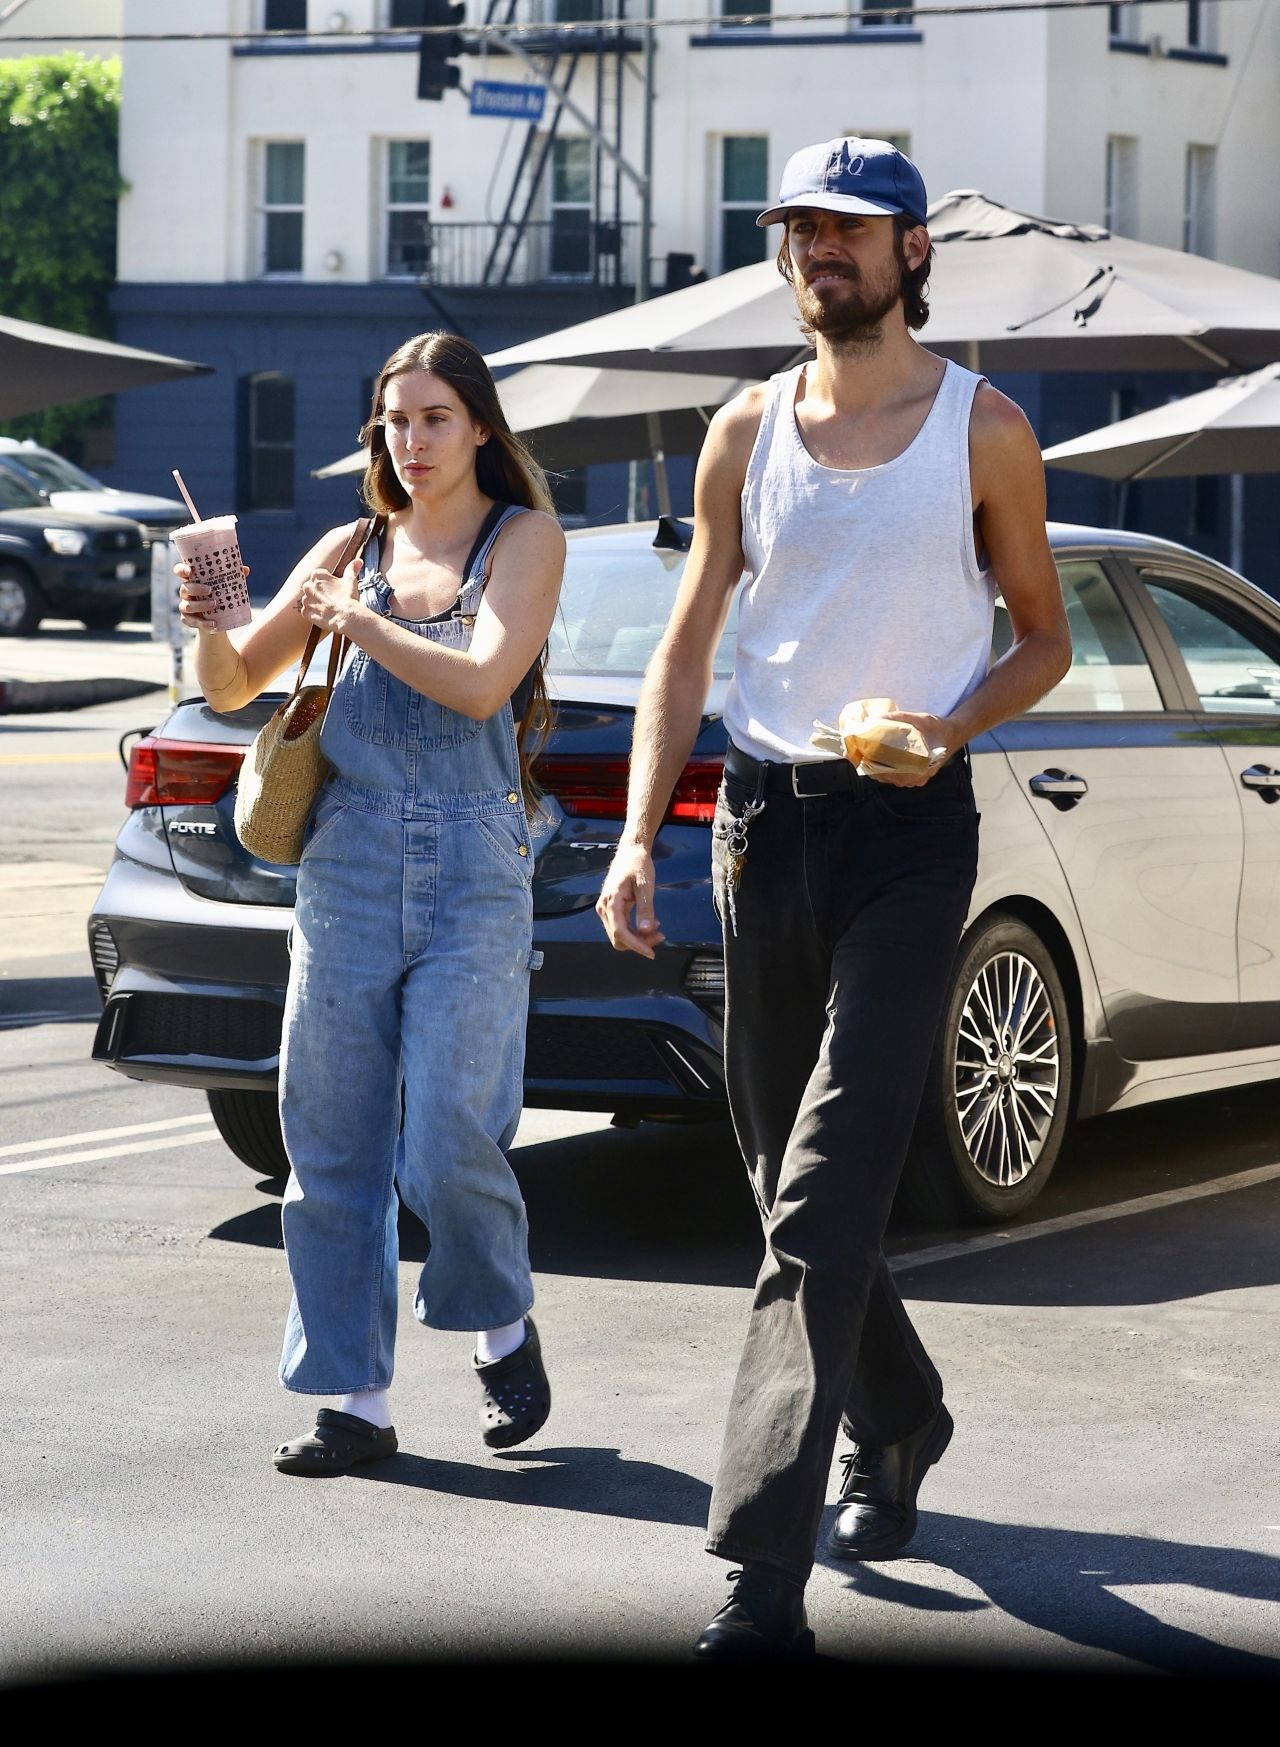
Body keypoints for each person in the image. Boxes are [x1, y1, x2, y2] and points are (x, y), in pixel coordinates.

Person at [597, 139, 1071, 1658]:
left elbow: (1045, 637)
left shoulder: (984, 428)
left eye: (849, 231)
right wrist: (630, 841)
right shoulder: (745, 429)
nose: (820, 252)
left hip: (911, 831)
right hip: (763, 827)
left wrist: (953, 726)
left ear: (912, 250)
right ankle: (908, 1412)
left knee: (822, 1189)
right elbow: (683, 648)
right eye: (800, 231)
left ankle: (755, 1575)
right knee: (774, 1176)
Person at [179, 331, 566, 1474]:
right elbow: (234, 681)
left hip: (471, 862)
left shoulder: (523, 539)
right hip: (344, 861)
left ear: (480, 427)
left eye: (435, 417)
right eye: (395, 421)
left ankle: (501, 1328)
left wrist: (360, 622)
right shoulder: (349, 545)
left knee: (450, 1132)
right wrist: (210, 605)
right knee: (331, 1140)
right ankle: (356, 1400)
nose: (413, 439)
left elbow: (482, 679)